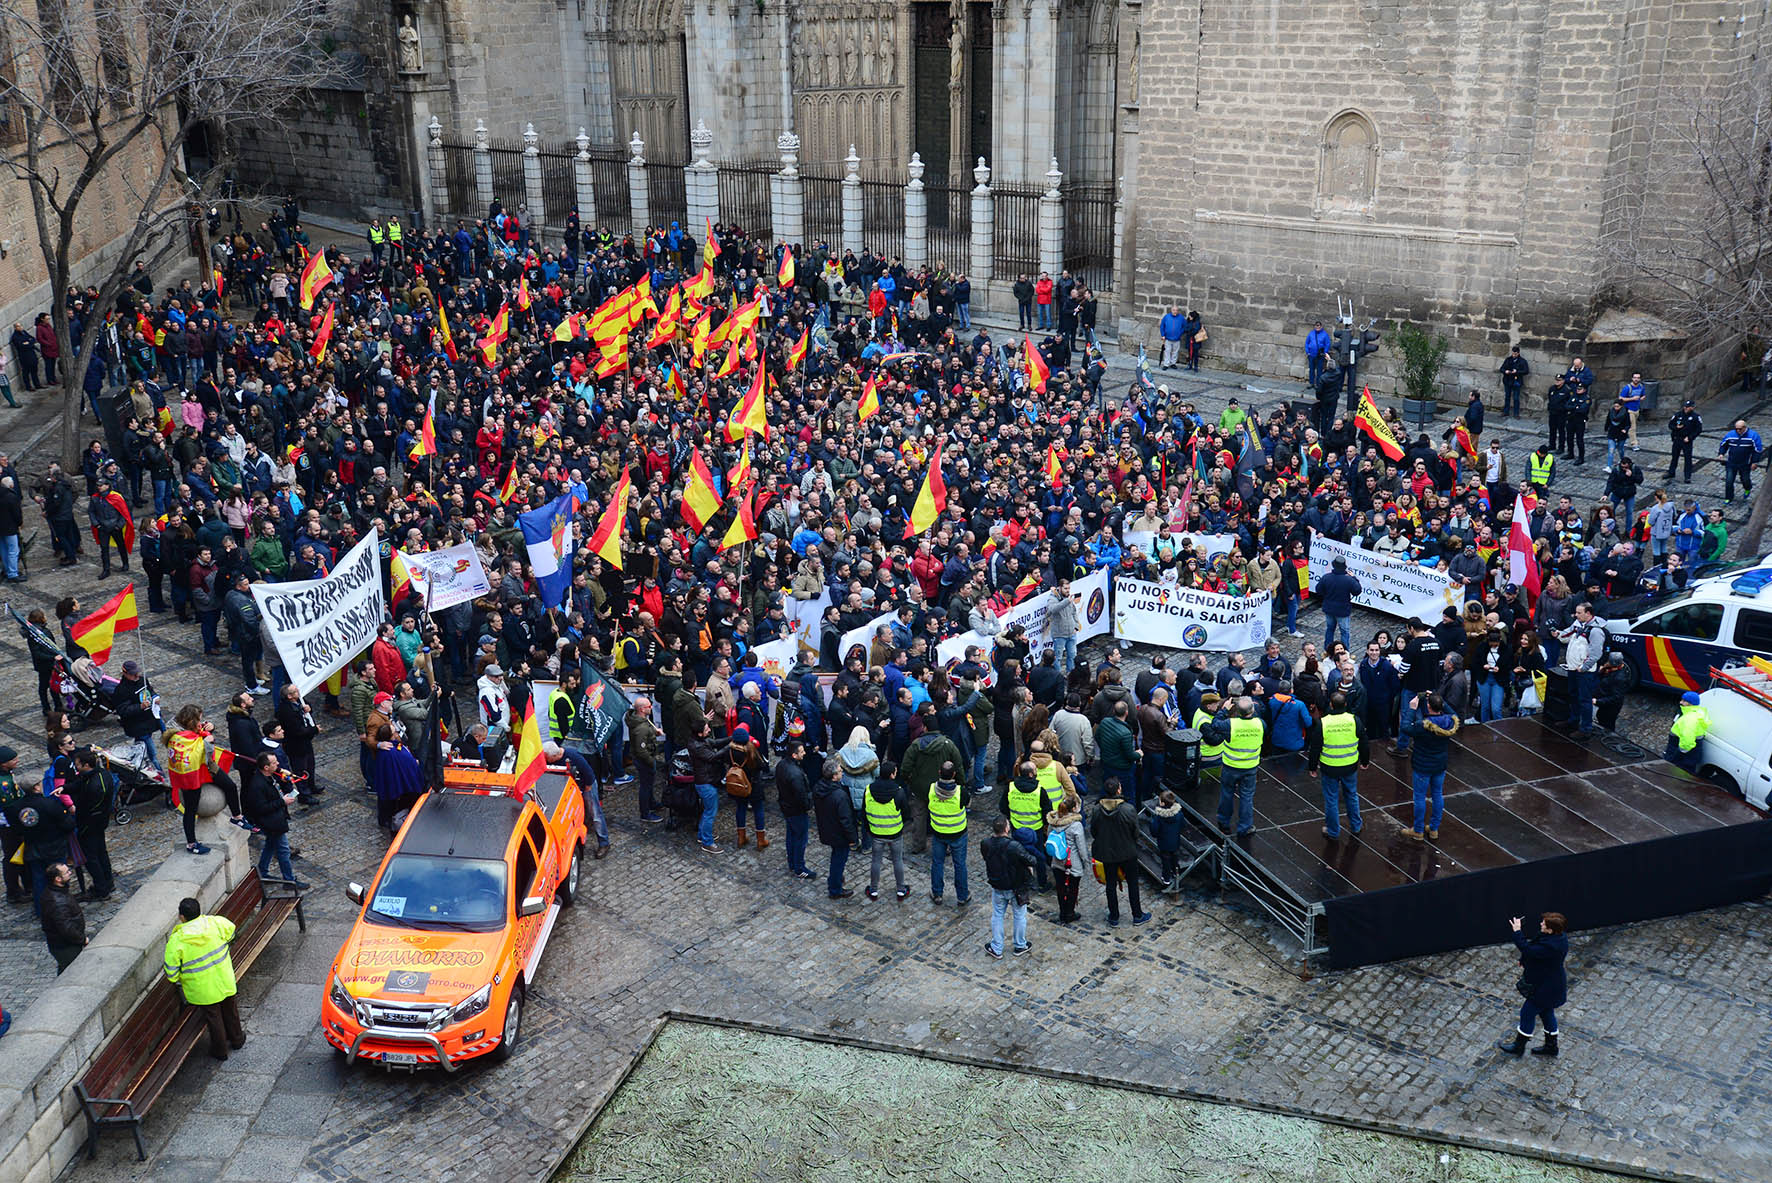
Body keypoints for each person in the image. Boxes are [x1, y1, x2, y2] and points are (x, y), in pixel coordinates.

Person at [163, 896, 247, 1061]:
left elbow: (171, 973)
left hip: (202, 989)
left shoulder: (177, 941)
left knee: (214, 1018)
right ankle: (237, 1039)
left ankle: (220, 1050)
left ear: (182, 917)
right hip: (224, 978)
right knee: (230, 1009)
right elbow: (231, 931)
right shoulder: (215, 923)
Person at [1497, 912, 1568, 1058]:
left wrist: (1517, 931)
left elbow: (1529, 949)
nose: (1541, 924)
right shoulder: (1555, 938)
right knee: (1546, 1013)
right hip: (1550, 984)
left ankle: (1519, 1046)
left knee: (1527, 1013)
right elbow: (1533, 952)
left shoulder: (1552, 946)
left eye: (1544, 924)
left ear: (1550, 929)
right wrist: (1525, 960)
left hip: (1546, 988)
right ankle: (1551, 1046)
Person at [1307, 691, 1367, 839]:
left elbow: (1315, 748)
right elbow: (1364, 743)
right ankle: (1356, 825)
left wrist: (1312, 767)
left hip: (1329, 767)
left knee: (1331, 800)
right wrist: (1365, 761)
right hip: (1350, 765)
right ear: (1345, 704)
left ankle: (1333, 830)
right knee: (1351, 795)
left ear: (1331, 705)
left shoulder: (1323, 723)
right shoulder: (1354, 720)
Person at [243, 752, 308, 888]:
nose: (278, 764)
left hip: (276, 819)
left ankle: (262, 872)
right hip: (272, 822)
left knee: (270, 845)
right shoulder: (257, 785)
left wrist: (285, 784)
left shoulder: (269, 777)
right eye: (274, 763)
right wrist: (282, 802)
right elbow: (261, 808)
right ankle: (289, 881)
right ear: (266, 767)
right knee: (283, 851)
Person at [1088, 777, 1148, 926]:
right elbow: (1135, 831)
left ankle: (1114, 916)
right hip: (1127, 851)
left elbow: (1094, 831)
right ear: (1118, 790)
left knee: (1110, 884)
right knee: (1133, 884)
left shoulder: (1096, 810)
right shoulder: (1128, 809)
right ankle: (1137, 915)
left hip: (1107, 853)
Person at [1403, 692, 1459, 841]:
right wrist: (1442, 701)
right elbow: (1454, 715)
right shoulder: (1449, 721)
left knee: (1420, 798)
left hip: (1422, 765)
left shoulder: (1423, 725)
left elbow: (1405, 727)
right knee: (1437, 794)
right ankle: (1434, 829)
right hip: (1439, 765)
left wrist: (1411, 708)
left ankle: (1418, 830)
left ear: (1428, 706)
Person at [979, 815, 1035, 958]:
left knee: (997, 915)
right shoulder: (1014, 846)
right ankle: (1020, 945)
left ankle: (997, 947)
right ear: (1006, 828)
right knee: (1019, 915)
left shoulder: (985, 843)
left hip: (998, 885)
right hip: (1016, 886)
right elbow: (1031, 860)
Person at [63, 748, 116, 899]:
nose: (76, 767)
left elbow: (86, 808)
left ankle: (101, 889)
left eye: (78, 764)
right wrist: (65, 788)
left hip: (90, 824)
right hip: (99, 823)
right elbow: (79, 784)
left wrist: (81, 824)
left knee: (91, 857)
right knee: (101, 852)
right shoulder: (100, 774)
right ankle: (107, 882)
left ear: (86, 765)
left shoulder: (94, 786)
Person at [1206, 697, 1263, 837]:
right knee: (1247, 797)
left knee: (1227, 794)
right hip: (1250, 767)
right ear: (1253, 710)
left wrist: (1224, 710)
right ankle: (1245, 827)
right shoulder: (1260, 723)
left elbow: (1214, 724)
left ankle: (1224, 822)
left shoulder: (1230, 724)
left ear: (1237, 710)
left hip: (1231, 767)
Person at [812, 758, 857, 898]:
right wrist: (852, 838)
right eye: (839, 771)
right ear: (833, 776)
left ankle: (835, 880)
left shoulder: (819, 788)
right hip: (838, 833)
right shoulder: (839, 795)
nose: (842, 773)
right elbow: (846, 820)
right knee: (839, 860)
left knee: (836, 856)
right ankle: (835, 888)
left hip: (827, 828)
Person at [864, 772, 911, 902]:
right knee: (897, 860)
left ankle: (873, 890)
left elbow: (864, 812)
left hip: (877, 833)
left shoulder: (868, 790)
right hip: (895, 833)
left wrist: (869, 829)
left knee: (876, 861)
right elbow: (906, 813)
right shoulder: (899, 792)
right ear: (892, 774)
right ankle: (901, 890)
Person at [775, 739, 816, 880]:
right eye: (802, 751)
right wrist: (808, 805)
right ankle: (799, 867)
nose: (804, 753)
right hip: (796, 810)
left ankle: (792, 862)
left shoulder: (781, 765)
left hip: (786, 807)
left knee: (791, 836)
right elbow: (801, 796)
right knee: (800, 838)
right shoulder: (796, 774)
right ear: (794, 755)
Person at [1047, 790, 1089, 921]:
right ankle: (1069, 913)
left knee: (1060, 888)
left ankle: (1062, 911)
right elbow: (1081, 847)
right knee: (1072, 888)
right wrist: (1085, 862)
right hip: (1072, 862)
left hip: (1057, 861)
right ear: (1074, 808)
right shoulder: (1076, 825)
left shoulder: (1053, 821)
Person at [40, 863, 86, 972]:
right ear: (58, 879)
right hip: (66, 946)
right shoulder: (58, 902)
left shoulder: (54, 892)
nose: (70, 872)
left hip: (63, 944)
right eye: (67, 872)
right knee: (73, 972)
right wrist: (83, 939)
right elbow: (66, 928)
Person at [1315, 556, 1360, 651]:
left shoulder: (1326, 577)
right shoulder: (1348, 580)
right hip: (1342, 611)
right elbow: (1357, 591)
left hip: (1329, 608)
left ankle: (1328, 650)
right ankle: (1345, 653)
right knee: (1344, 632)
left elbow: (1318, 590)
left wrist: (1327, 596)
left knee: (1330, 629)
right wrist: (1354, 578)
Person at [1717, 418, 1764, 503]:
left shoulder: (1753, 436)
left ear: (1745, 427)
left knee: (1745, 479)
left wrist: (1754, 462)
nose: (1738, 431)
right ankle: (1728, 498)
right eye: (1736, 429)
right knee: (1729, 481)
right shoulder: (1730, 434)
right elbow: (1723, 445)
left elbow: (1757, 450)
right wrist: (1721, 453)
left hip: (1745, 463)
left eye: (1740, 429)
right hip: (1731, 462)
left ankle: (1747, 488)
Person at [1664, 690, 1711, 774]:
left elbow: (1687, 739)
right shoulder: (1698, 712)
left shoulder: (1690, 718)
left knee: (1675, 773)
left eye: (1684, 701)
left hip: (1683, 753)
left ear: (1691, 703)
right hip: (1691, 754)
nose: (1681, 702)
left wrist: (1677, 755)